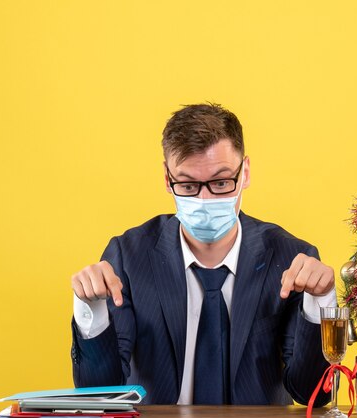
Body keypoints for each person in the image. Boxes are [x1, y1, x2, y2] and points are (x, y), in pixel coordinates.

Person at [70, 103, 337, 406]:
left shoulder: (290, 258)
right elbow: (100, 393)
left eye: (221, 182)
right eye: (187, 185)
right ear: (167, 179)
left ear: (245, 172)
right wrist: (91, 313)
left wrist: (320, 303)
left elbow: (312, 392)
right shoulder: (129, 256)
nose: (205, 198)